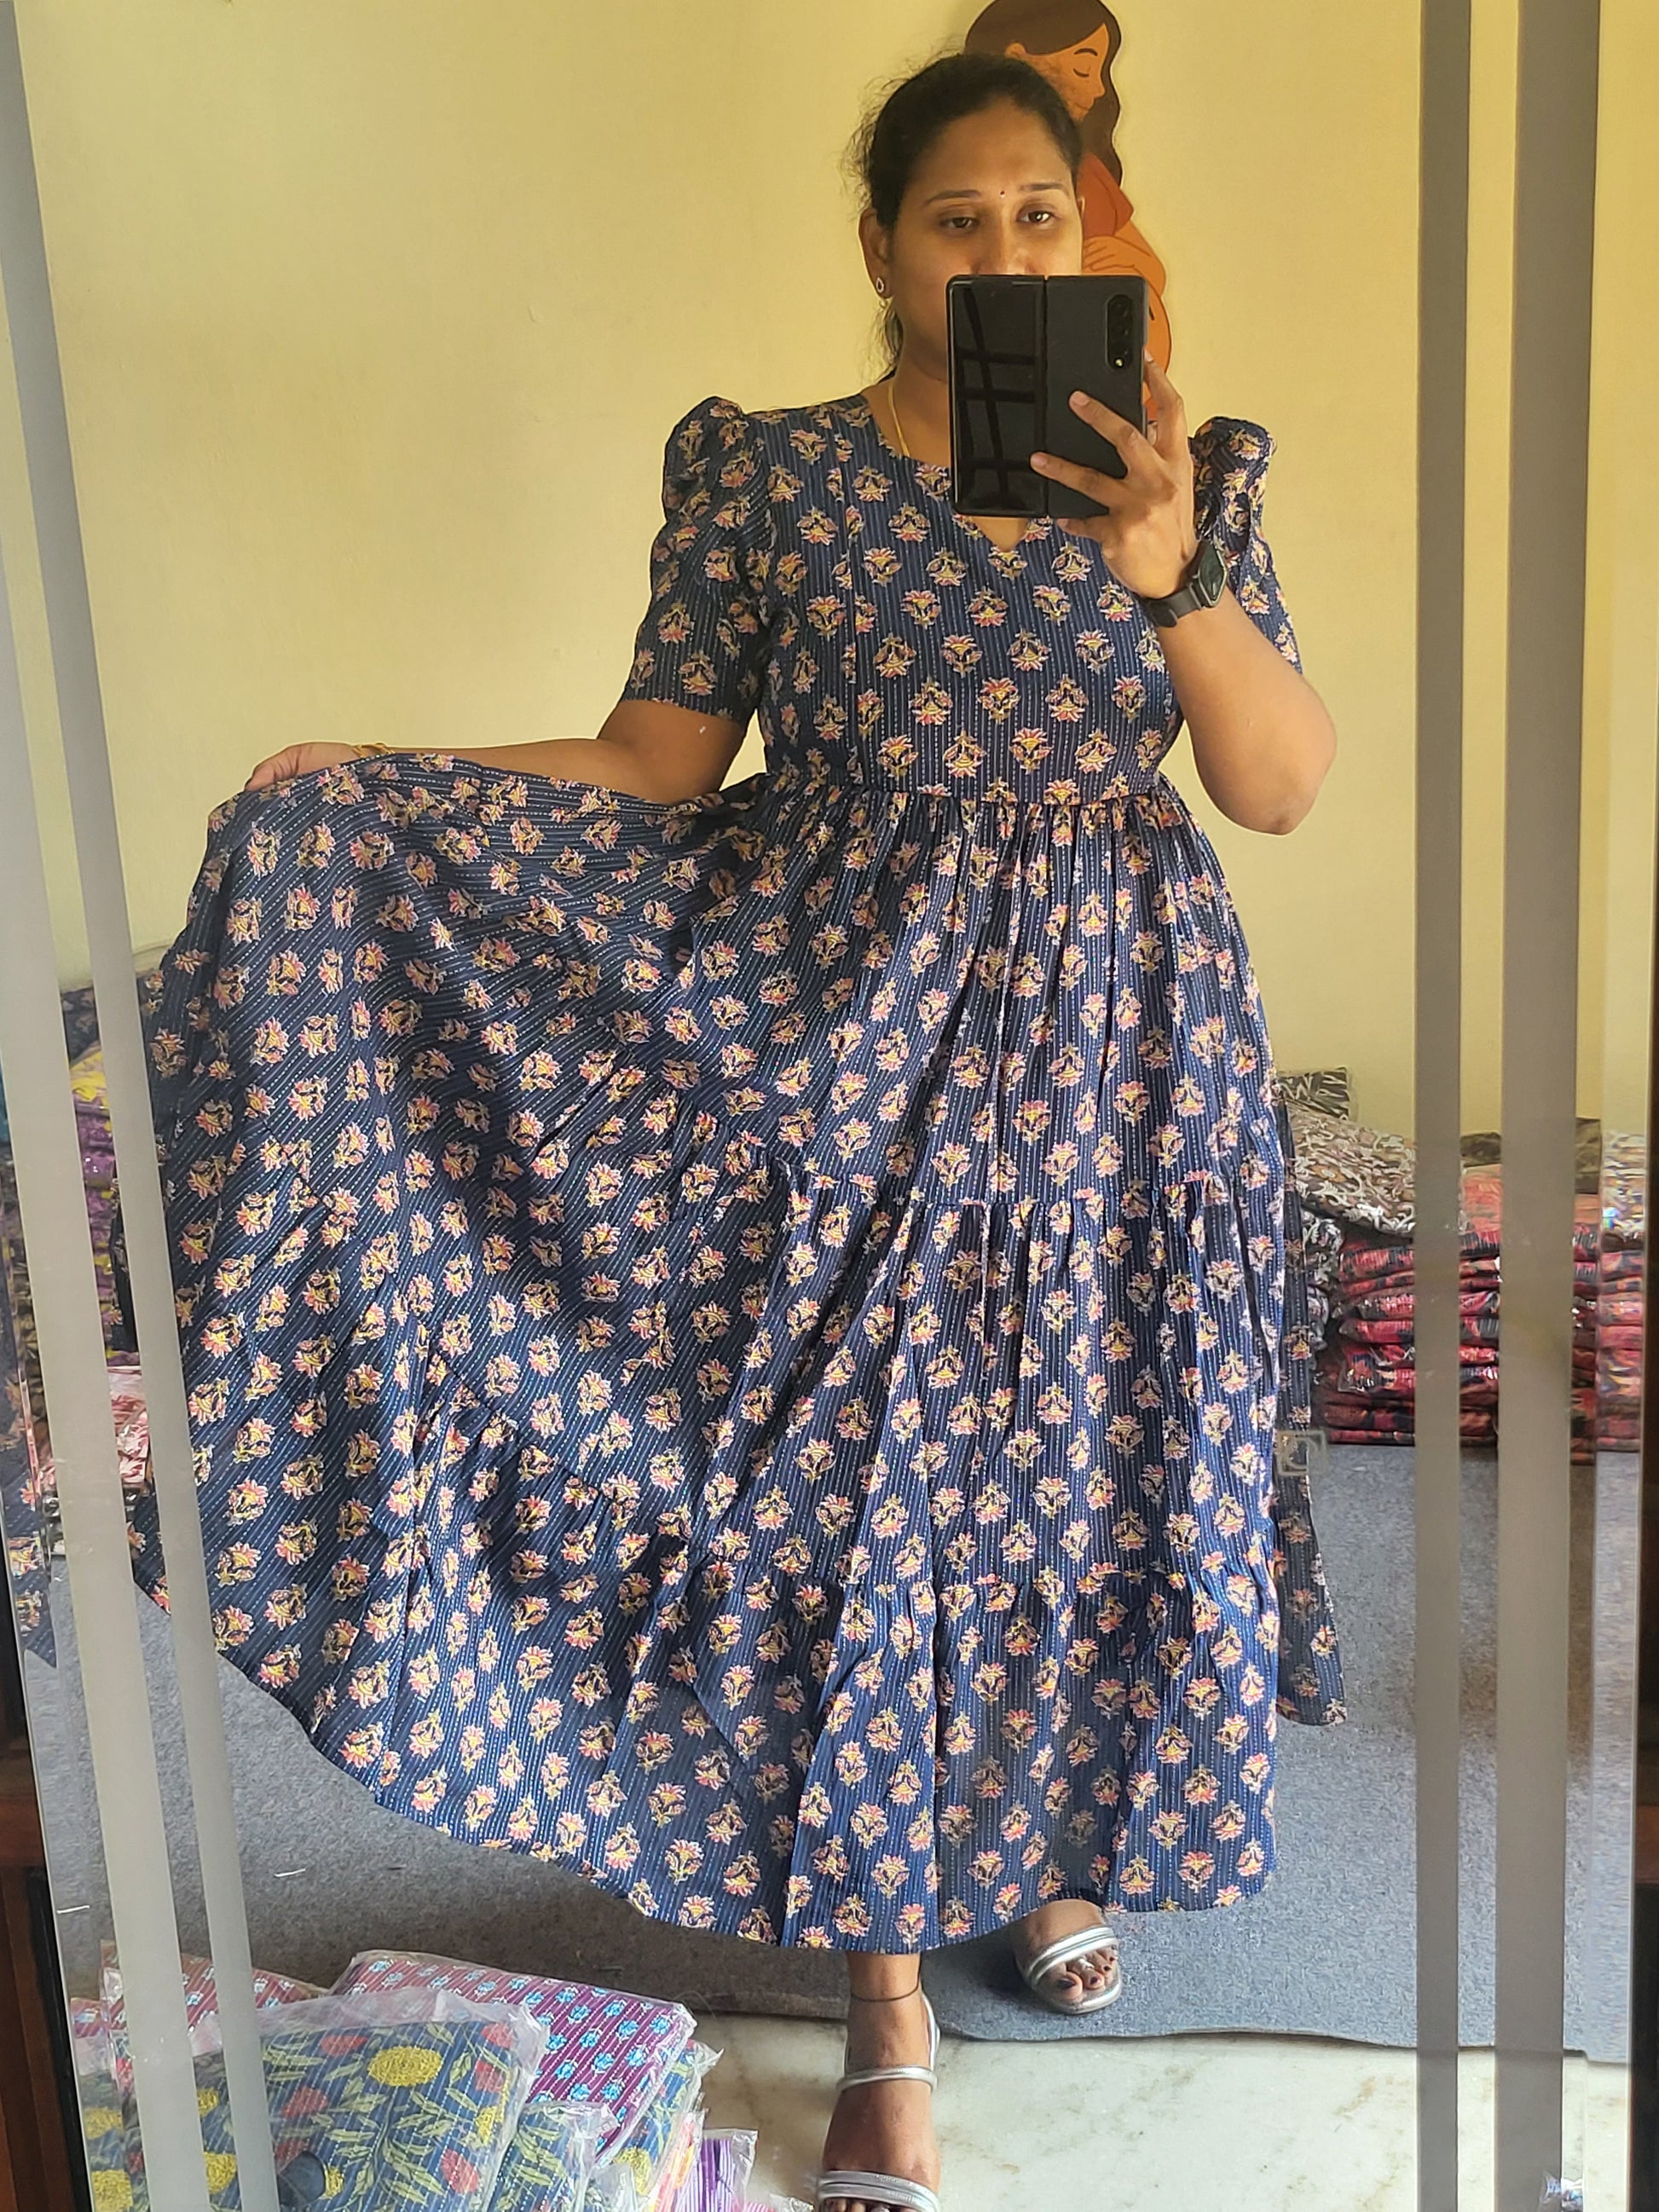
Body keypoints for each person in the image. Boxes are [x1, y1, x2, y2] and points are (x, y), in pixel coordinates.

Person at [163, 51, 1343, 2212]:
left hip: (1123, 1048)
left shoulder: (1187, 470)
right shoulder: (767, 475)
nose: (1004, 250)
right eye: (958, 216)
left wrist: (1167, 564)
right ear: (881, 245)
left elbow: (1270, 783)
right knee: (865, 1484)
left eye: (1043, 215)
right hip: (839, 1032)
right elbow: (656, 759)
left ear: (1088, 238)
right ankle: (887, 2004)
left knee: (1079, 1449)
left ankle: (1049, 1842)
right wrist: (389, 776)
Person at [965, 0, 1174, 369]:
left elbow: (1153, 269)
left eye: (1038, 215)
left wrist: (1124, 257)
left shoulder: (1088, 171)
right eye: (1082, 68)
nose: (1097, 89)